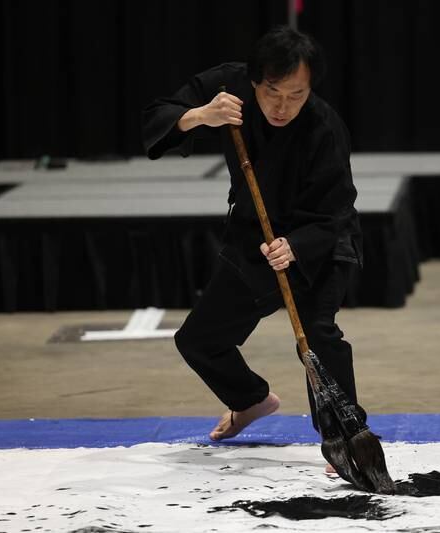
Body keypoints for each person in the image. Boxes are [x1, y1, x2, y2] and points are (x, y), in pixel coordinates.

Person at [142, 26, 364, 463]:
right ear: (255, 79)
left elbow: (338, 212)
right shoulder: (228, 86)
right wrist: (200, 115)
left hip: (319, 243)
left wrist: (296, 244)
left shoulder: (325, 127)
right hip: (254, 236)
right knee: (198, 341)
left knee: (318, 335)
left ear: (311, 88)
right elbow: (159, 115)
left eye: (296, 95)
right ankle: (250, 399)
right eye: (273, 93)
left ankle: (346, 440)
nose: (283, 106)